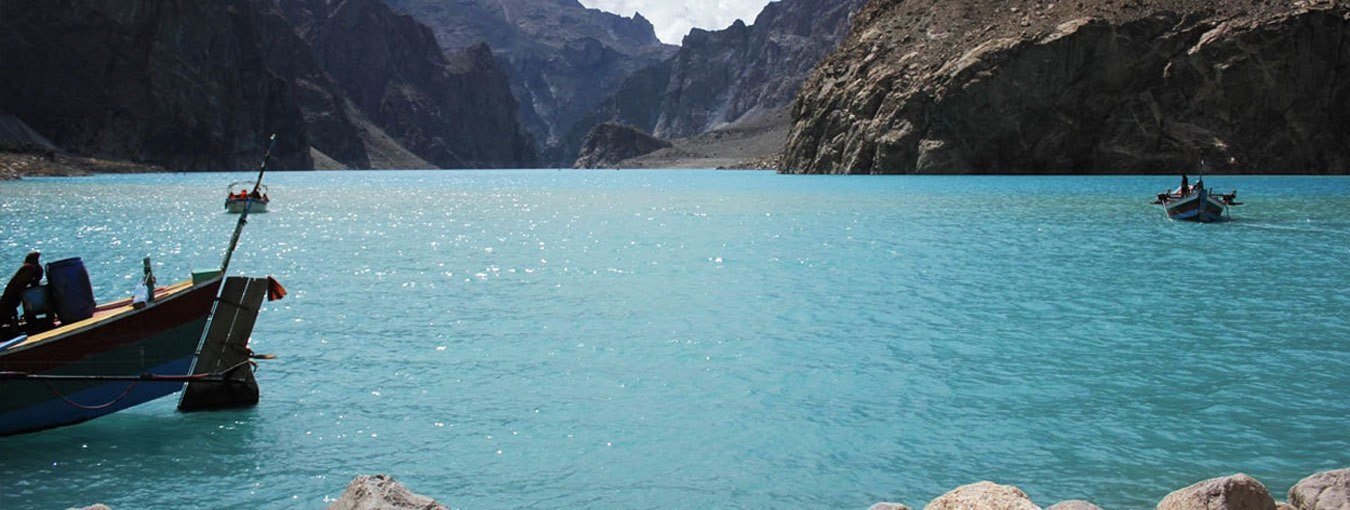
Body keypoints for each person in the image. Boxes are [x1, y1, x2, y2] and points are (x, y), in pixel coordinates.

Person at [1, 251, 44, 336]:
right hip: (12, 295)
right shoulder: (29, 268)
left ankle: (17, 328)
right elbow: (19, 284)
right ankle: (15, 331)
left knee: (11, 310)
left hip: (14, 294)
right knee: (9, 311)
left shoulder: (32, 268)